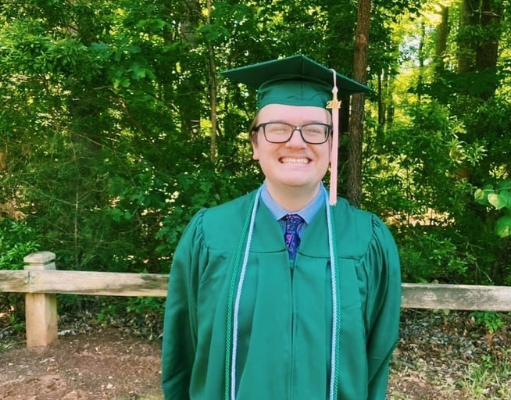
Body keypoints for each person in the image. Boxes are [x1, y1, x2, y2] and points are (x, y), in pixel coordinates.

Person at [161, 54, 401, 400]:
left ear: (333, 146)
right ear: (255, 145)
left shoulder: (367, 240)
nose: (296, 142)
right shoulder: (209, 234)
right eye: (277, 128)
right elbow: (182, 351)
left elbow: (376, 357)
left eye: (316, 130)